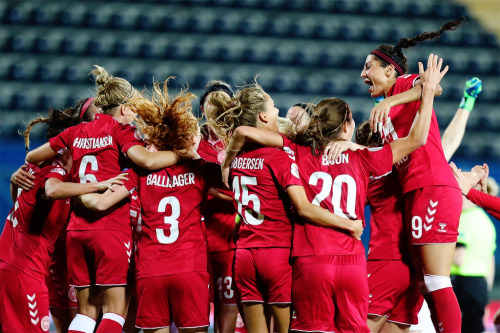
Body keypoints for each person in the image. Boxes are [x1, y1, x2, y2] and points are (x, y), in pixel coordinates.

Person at [221, 53, 445, 332]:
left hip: (311, 261)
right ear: (348, 127)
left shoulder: (297, 152)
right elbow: (418, 139)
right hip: (352, 264)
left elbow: (247, 132)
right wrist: (427, 96)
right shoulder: (363, 158)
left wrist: (228, 161)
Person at [25, 66, 192, 333]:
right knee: (115, 312)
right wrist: (183, 155)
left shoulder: (74, 133)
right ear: (124, 109)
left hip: (76, 230)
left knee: (86, 313)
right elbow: (147, 161)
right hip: (109, 228)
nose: (136, 116)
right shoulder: (119, 131)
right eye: (134, 110)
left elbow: (33, 157)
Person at [211, 82, 364, 333]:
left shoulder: (237, 157)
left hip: (244, 254)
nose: (277, 110)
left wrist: (227, 160)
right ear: (263, 116)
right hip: (277, 253)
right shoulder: (282, 157)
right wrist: (349, 224)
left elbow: (240, 134)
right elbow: (303, 207)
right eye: (272, 107)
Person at [78, 79, 213, 333]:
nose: (144, 143)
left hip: (150, 271)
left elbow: (98, 203)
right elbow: (232, 184)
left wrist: (77, 191)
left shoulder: (136, 173)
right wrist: (193, 153)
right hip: (190, 269)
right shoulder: (199, 170)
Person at [361, 18, 465, 332]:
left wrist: (392, 98)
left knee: (436, 280)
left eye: (369, 67)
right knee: (423, 282)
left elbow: (429, 88)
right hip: (416, 189)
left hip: (430, 184)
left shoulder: (403, 85)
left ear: (389, 71)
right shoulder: (383, 107)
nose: (363, 74)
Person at [0, 108, 126, 333]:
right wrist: (101, 184)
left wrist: (13, 182)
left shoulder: (36, 170)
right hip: (25, 274)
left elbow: (23, 204)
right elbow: (52, 189)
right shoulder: (55, 170)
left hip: (14, 266)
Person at [198, 80, 242, 333]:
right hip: (199, 237)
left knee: (227, 302)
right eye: (210, 105)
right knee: (199, 307)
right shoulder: (194, 138)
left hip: (230, 237)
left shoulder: (243, 138)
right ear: (202, 109)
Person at [451, 165, 496, 333]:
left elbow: (458, 258)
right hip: (480, 286)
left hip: (461, 285)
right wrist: (485, 294)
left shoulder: (463, 219)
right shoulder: (487, 223)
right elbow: (490, 261)